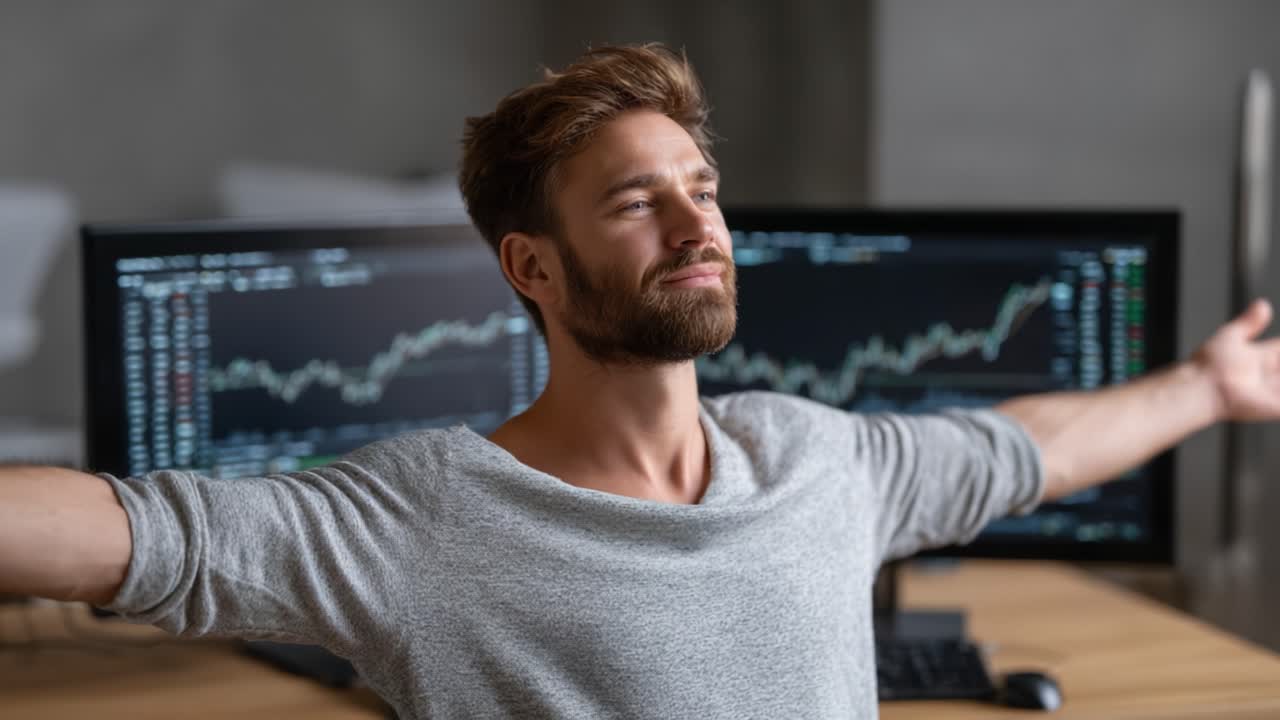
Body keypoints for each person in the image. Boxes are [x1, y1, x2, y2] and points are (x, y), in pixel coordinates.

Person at [2, 44, 1279, 719]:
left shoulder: (816, 457)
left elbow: (1025, 445)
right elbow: (136, 533)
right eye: (635, 201)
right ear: (533, 266)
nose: (695, 223)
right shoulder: (424, 519)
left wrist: (1211, 387)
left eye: (701, 188)